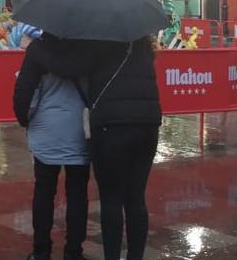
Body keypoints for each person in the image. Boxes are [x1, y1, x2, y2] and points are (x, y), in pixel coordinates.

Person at [36, 35, 162, 260]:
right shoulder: (144, 45)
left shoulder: (101, 40)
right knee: (135, 197)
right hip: (148, 124)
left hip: (111, 126)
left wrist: (36, 49)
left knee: (111, 198)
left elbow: (68, 68)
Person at [13, 34, 90, 260]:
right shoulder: (90, 49)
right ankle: (74, 252)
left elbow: (25, 91)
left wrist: (25, 120)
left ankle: (41, 251)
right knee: (78, 194)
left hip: (46, 131)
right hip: (79, 131)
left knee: (44, 192)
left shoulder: (38, 51)